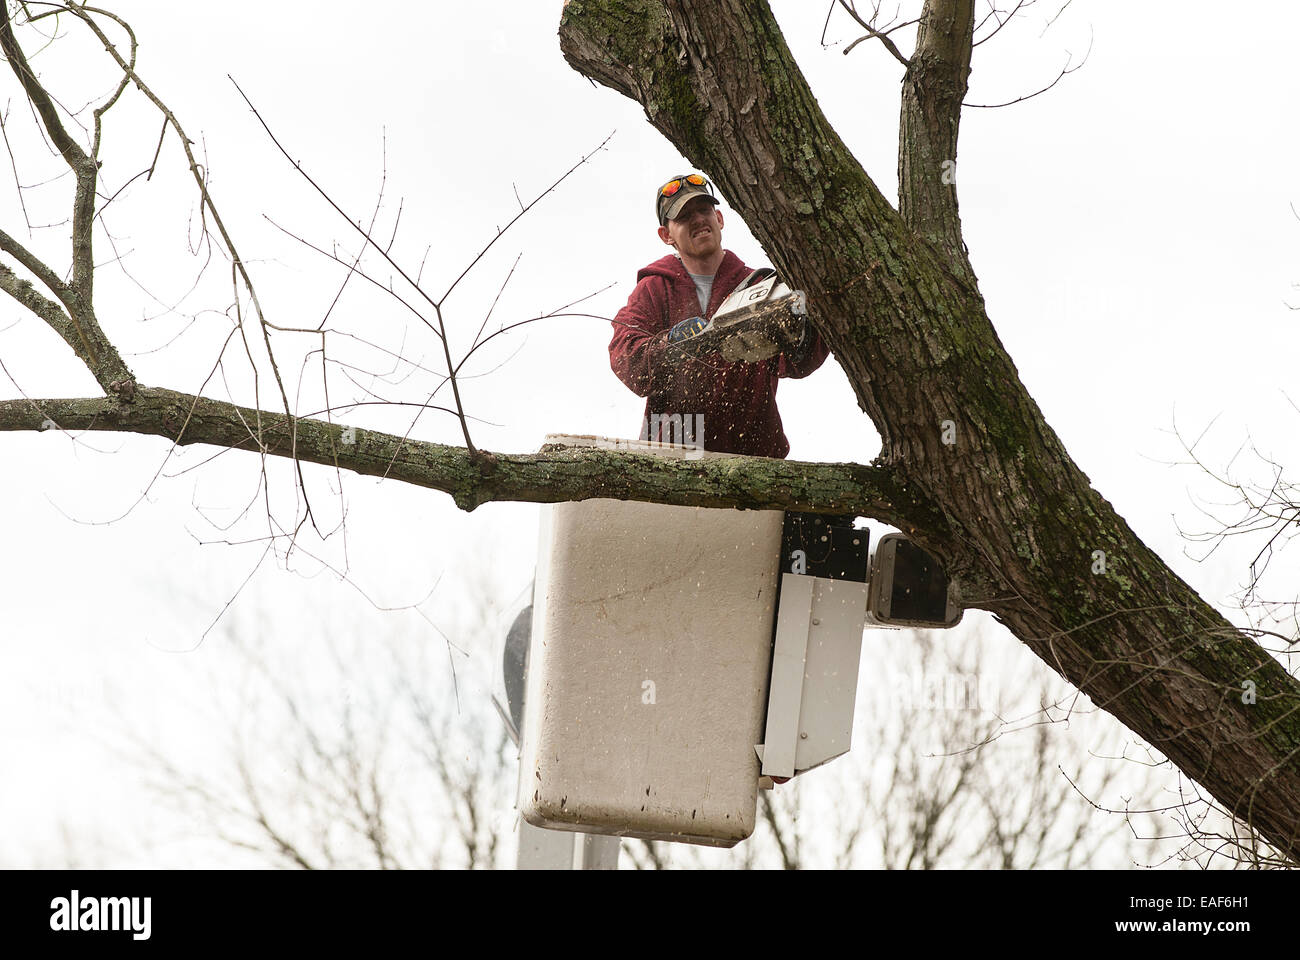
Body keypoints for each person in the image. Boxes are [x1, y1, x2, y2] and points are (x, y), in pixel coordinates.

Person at [608, 173, 830, 458]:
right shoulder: (654, 289)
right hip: (674, 460)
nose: (698, 219)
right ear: (666, 235)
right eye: (684, 216)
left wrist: (805, 329)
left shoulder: (762, 287)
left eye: (704, 210)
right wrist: (672, 345)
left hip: (753, 455)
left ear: (720, 219)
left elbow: (800, 362)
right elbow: (626, 356)